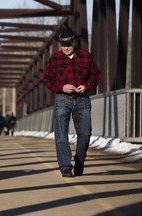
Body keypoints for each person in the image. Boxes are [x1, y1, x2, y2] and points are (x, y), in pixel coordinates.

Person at [43, 27, 102, 178]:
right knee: (61, 135)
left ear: (74, 42)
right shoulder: (54, 59)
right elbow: (47, 79)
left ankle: (80, 160)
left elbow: (96, 76)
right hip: (62, 99)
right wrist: (61, 87)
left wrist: (86, 86)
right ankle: (65, 167)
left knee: (85, 133)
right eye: (63, 45)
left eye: (68, 44)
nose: (66, 47)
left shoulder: (85, 56)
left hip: (82, 99)